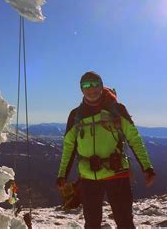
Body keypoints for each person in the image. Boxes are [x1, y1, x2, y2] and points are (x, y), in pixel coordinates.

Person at [56, 71, 156, 228]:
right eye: (86, 85)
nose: (91, 89)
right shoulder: (75, 115)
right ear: (81, 89)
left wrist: (147, 167)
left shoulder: (117, 110)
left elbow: (134, 140)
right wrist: (62, 174)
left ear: (102, 86)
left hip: (116, 173)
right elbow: (69, 146)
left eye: (95, 84)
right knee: (92, 223)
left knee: (124, 221)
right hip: (89, 177)